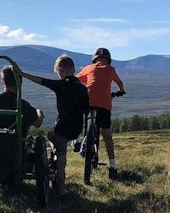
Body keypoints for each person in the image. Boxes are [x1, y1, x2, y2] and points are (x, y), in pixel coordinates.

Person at [15, 54, 89, 197]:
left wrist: (22, 74)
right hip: (75, 130)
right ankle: (55, 157)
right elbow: (86, 110)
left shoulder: (61, 85)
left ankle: (60, 192)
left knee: (59, 157)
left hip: (62, 128)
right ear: (73, 69)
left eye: (58, 72)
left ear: (61, 70)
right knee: (51, 137)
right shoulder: (82, 88)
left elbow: (41, 81)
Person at [77, 47, 126, 180]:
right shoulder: (111, 69)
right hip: (104, 105)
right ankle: (113, 166)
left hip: (88, 102)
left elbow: (76, 80)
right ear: (108, 60)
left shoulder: (88, 68)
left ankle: (77, 139)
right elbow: (119, 83)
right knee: (106, 134)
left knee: (78, 112)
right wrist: (121, 91)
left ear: (94, 59)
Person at [0, 65, 45, 135]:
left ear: (3, 83)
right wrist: (39, 112)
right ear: (20, 82)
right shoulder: (22, 105)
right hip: (14, 145)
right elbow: (38, 123)